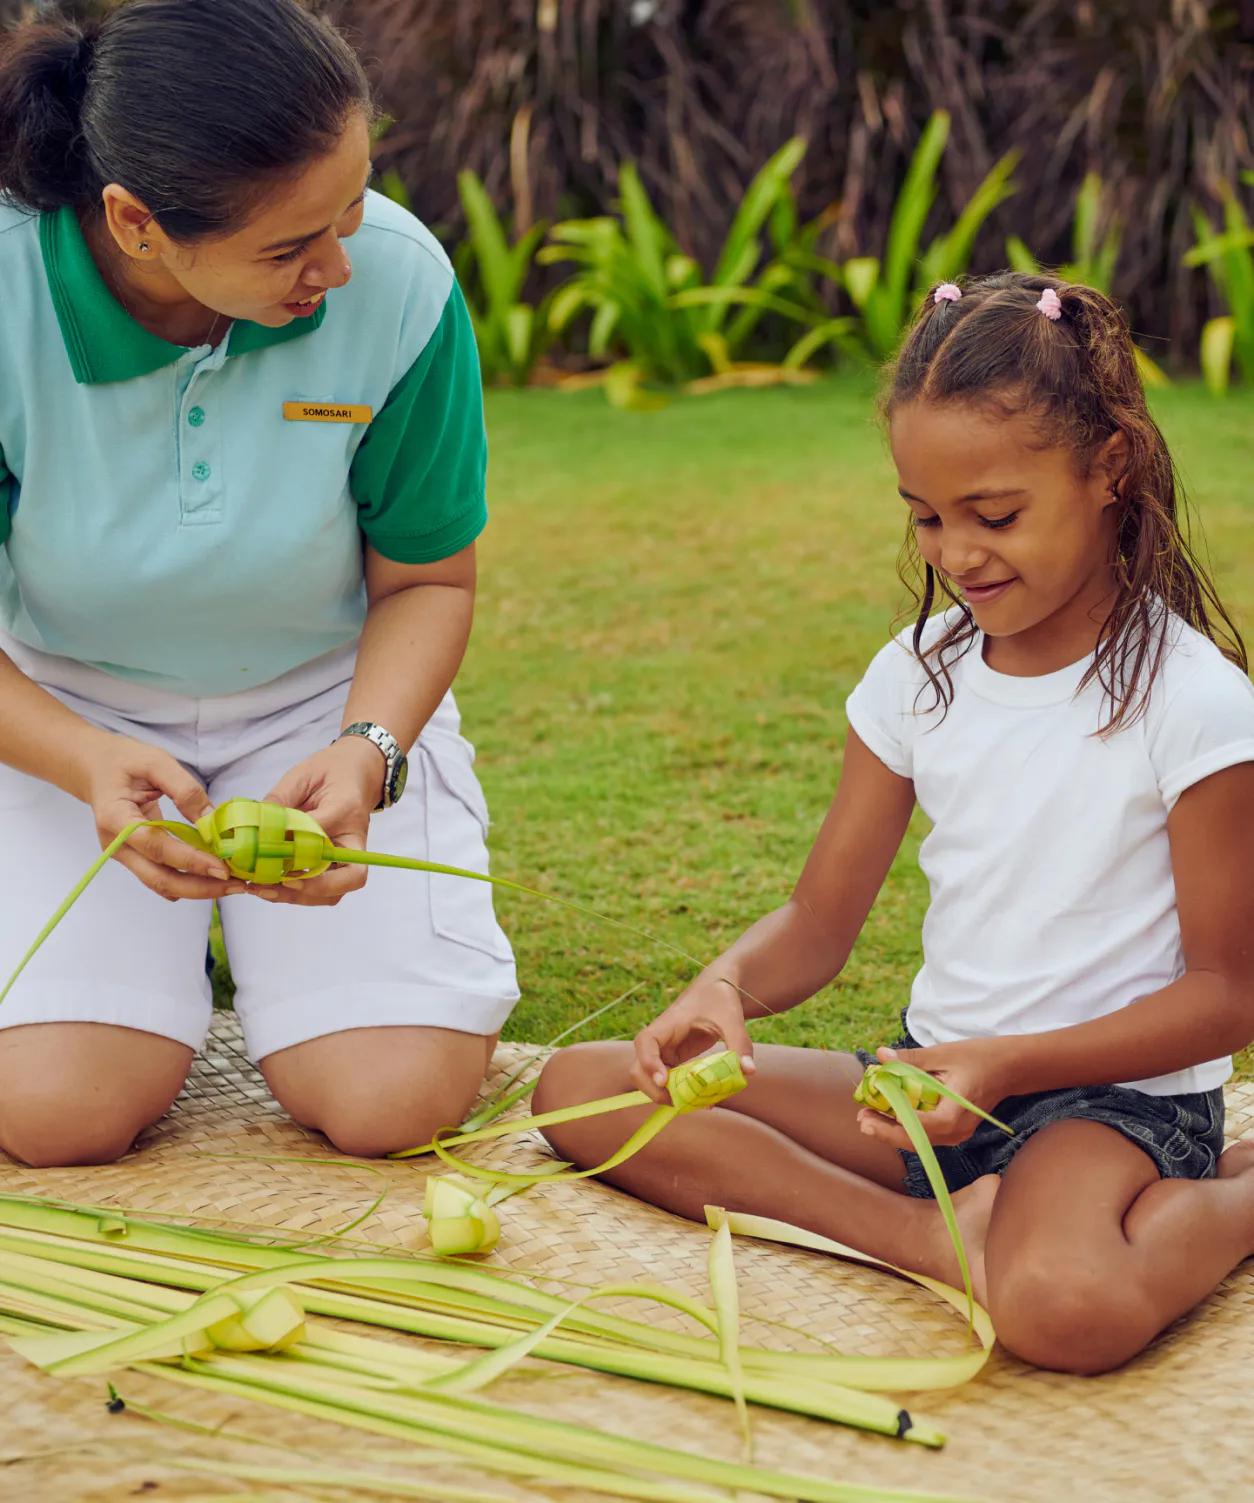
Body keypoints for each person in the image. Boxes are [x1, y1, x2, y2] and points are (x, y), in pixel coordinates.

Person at [533, 273, 1254, 1375]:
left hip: (1109, 1108)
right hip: (928, 1089)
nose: (955, 555)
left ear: (1111, 468)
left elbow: (1225, 1000)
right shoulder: (917, 680)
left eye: (996, 515)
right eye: (925, 516)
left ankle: (1235, 1194)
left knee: (1062, 1310)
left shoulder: (1192, 702)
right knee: (583, 1094)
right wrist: (724, 989)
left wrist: (1007, 1063)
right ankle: (926, 1236)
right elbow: (820, 925)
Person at [0, 0, 519, 1167]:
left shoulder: (399, 284)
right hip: (59, 717)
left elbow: (429, 581)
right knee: (55, 1113)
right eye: (290, 246)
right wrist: (84, 763)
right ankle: (173, 966)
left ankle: (263, 958)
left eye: (350, 206)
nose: (340, 264)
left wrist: (370, 751)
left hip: (321, 705)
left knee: (395, 1102)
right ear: (135, 221)